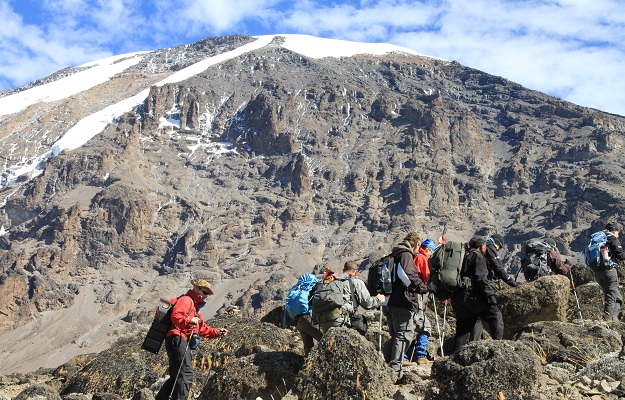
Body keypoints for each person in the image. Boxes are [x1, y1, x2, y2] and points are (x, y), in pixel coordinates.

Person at [155, 279, 228, 400]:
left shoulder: (195, 308)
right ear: (197, 289)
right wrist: (188, 321)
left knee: (176, 376)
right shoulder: (186, 300)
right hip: (178, 338)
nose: (205, 296)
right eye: (204, 292)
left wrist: (217, 332)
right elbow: (176, 316)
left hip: (179, 340)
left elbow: (202, 329)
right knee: (185, 374)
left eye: (207, 294)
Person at [382, 232, 429, 379]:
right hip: (403, 302)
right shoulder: (405, 255)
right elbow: (409, 275)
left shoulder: (394, 255)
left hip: (389, 302)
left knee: (397, 335)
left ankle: (381, 364)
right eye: (419, 246)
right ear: (416, 244)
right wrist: (424, 288)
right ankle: (395, 372)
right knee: (403, 336)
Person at [451, 236, 503, 350]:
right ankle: (498, 348)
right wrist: (490, 295)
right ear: (481, 246)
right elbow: (481, 278)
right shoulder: (478, 256)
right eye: (485, 246)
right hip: (471, 296)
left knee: (464, 328)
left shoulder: (464, 255)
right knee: (495, 315)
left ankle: (457, 356)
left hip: (458, 296)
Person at [317, 261, 385, 333]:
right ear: (356, 272)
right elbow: (367, 304)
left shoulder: (332, 281)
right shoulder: (356, 282)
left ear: (343, 270)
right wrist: (379, 299)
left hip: (324, 320)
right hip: (340, 320)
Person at [406, 238, 436, 365]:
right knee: (424, 326)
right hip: (417, 296)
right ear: (427, 249)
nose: (431, 255)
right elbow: (425, 276)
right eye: (431, 252)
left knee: (410, 326)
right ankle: (420, 355)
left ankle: (408, 356)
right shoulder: (421, 258)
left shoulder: (414, 257)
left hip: (412, 296)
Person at [594, 222, 625, 320]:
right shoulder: (612, 238)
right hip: (609, 271)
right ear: (615, 230)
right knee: (612, 296)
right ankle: (608, 320)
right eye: (618, 232)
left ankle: (613, 320)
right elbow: (620, 255)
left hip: (597, 272)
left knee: (616, 297)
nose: (618, 234)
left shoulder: (599, 239)